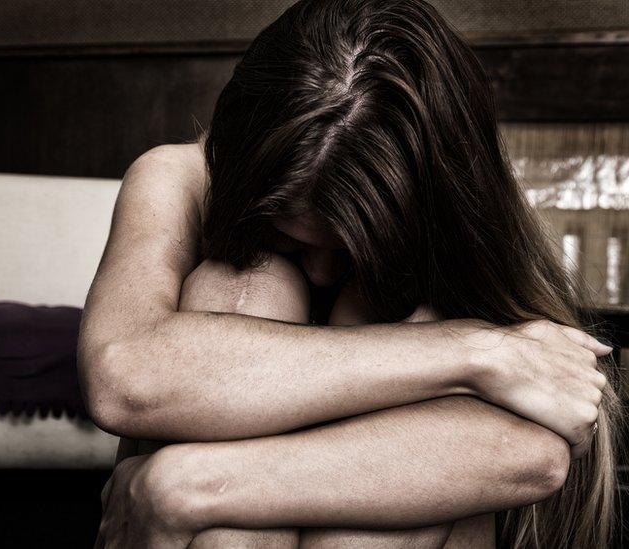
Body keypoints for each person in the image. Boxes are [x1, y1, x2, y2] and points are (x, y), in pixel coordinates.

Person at [76, 0, 624, 547]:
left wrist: (189, 488)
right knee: (243, 283)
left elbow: (535, 455)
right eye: (293, 238)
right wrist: (477, 353)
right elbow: (124, 378)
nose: (320, 271)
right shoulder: (179, 177)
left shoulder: (454, 237)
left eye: (349, 250)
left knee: (404, 313)